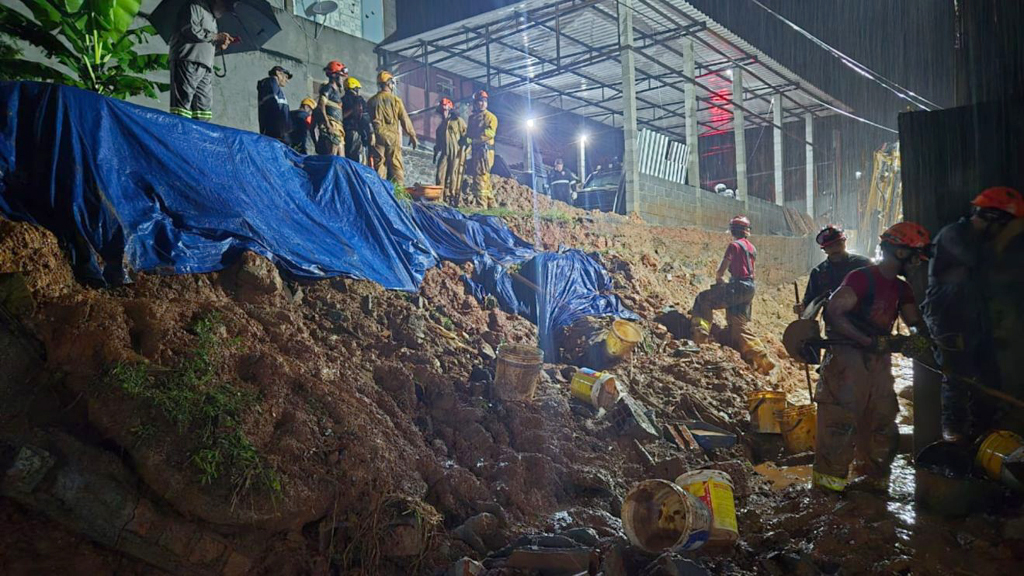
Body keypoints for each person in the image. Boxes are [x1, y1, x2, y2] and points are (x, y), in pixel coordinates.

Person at [815, 221, 932, 492]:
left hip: (878, 359)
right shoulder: (861, 278)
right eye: (915, 257)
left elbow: (914, 321)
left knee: (882, 417)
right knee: (840, 421)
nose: (916, 264)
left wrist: (923, 338)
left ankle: (872, 484)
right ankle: (827, 493)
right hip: (846, 358)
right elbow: (834, 313)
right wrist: (867, 340)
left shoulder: (902, 288)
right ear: (900, 253)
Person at [923, 187, 1022, 442]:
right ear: (992, 217)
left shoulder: (980, 239)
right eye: (1006, 225)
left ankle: (983, 436)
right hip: (948, 313)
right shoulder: (954, 234)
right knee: (957, 377)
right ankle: (953, 439)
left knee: (989, 377)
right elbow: (980, 263)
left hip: (974, 314)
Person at [689, 216, 775, 374]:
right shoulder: (752, 248)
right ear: (747, 231)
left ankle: (700, 336)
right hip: (750, 288)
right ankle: (761, 356)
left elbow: (723, 268)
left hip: (738, 285)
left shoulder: (734, 246)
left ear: (733, 230)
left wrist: (719, 278)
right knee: (737, 324)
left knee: (703, 299)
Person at [168, 0, 236, 121]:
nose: (224, 12)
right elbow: (190, 29)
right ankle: (179, 133)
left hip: (205, 65)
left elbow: (204, 43)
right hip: (188, 60)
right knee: (183, 104)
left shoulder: (213, 19)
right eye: (224, 7)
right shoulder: (194, 6)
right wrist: (216, 36)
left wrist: (219, 46)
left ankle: (198, 135)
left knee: (203, 107)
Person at [796, 225, 872, 319]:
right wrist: (803, 307)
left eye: (838, 244)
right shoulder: (818, 273)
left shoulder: (863, 265)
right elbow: (810, 303)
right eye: (830, 246)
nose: (835, 249)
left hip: (865, 322)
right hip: (834, 326)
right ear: (824, 250)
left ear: (844, 243)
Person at [367, 70, 418, 186]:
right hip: (392, 136)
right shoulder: (396, 101)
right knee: (395, 165)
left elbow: (367, 120)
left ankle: (380, 192)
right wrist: (412, 135)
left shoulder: (371, 101)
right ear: (389, 83)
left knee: (379, 164)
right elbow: (405, 119)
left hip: (377, 135)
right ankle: (399, 193)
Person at [462, 90, 498, 208]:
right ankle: (491, 205)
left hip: (485, 151)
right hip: (476, 150)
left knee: (480, 176)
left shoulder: (490, 117)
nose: (481, 104)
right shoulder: (472, 118)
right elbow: (469, 133)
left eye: (484, 101)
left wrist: (473, 140)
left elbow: (489, 133)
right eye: (479, 102)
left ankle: (481, 205)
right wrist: (465, 140)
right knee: (484, 177)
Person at [433, 98, 467, 205]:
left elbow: (465, 135)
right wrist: (435, 152)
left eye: (445, 109)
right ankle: (439, 198)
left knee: (454, 174)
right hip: (444, 153)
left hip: (456, 152)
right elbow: (438, 143)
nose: (444, 112)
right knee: (440, 174)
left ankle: (453, 197)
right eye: (442, 110)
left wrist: (465, 148)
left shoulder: (458, 121)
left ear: (450, 109)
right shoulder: (440, 127)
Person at [315, 60, 348, 156]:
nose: (342, 80)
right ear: (335, 75)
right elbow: (321, 105)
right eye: (341, 76)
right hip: (332, 126)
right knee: (332, 157)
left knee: (341, 160)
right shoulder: (328, 88)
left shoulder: (335, 92)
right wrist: (328, 125)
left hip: (338, 128)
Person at [341, 77, 372, 163]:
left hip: (344, 133)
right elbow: (365, 118)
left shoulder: (341, 100)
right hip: (355, 132)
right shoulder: (358, 100)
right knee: (358, 159)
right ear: (355, 88)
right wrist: (369, 133)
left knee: (347, 157)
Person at [256, 66, 292, 141]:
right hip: (275, 135)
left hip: (279, 134)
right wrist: (279, 133)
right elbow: (273, 108)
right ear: (278, 73)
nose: (287, 80)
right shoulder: (270, 83)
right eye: (286, 76)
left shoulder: (275, 88)